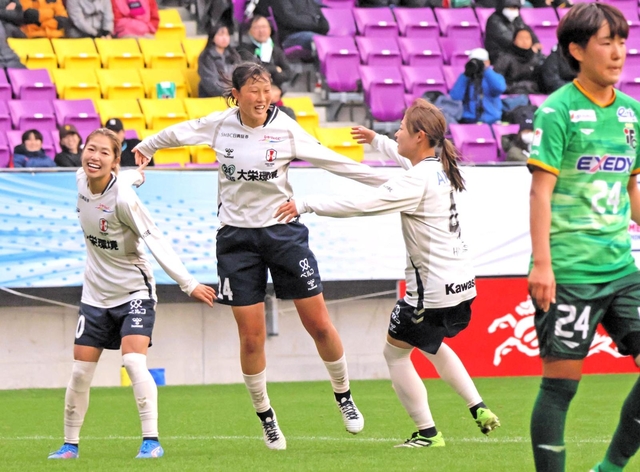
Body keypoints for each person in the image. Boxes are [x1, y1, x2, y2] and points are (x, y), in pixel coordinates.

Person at [132, 61, 391, 450]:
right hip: (236, 240)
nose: (261, 97)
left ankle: (344, 396)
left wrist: (394, 182)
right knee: (251, 339)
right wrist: (148, 145)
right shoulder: (220, 125)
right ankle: (267, 419)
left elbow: (336, 162)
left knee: (319, 324)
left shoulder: (285, 128)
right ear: (236, 94)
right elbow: (180, 132)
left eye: (266, 89)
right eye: (253, 90)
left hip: (283, 233)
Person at [274, 99, 501, 447]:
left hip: (431, 292)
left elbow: (362, 205)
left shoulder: (416, 181)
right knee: (429, 343)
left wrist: (307, 203)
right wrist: (376, 140)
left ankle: (428, 433)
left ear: (420, 136)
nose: (396, 133)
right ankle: (478, 407)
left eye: (401, 128)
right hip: (463, 285)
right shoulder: (439, 166)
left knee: (395, 354)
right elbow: (406, 160)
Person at [47, 128, 216, 460]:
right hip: (95, 295)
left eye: (104, 152)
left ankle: (151, 442)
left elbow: (156, 240)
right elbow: (123, 178)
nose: (94, 156)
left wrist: (188, 284)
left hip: (133, 291)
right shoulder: (80, 180)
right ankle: (69, 446)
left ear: (114, 161)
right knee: (80, 372)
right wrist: (137, 176)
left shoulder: (124, 200)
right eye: (91, 149)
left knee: (133, 362)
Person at [527, 4, 640, 472]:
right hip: (570, 271)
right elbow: (540, 192)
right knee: (560, 387)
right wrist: (542, 265)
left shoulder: (632, 113)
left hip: (621, 269)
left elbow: (631, 188)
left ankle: (609, 469)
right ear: (576, 50)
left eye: (622, 41)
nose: (618, 53)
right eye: (606, 42)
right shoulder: (558, 111)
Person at [253, 0, 328, 60]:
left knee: (327, 41)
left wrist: (322, 26)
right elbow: (290, 20)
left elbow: (322, 20)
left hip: (310, 31)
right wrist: (315, 25)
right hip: (289, 36)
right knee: (316, 40)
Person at [449, 48, 506, 124]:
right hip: (469, 122)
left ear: (488, 62)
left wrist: (486, 70)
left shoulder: (494, 77)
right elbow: (455, 97)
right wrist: (465, 75)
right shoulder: (466, 77)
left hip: (491, 121)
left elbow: (499, 88)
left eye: (480, 62)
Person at [237, 15, 291, 88]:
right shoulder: (244, 49)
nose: (261, 30)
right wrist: (275, 69)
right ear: (249, 31)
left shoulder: (276, 50)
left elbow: (288, 73)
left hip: (274, 89)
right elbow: (253, 69)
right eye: (257, 27)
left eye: (264, 27)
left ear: (270, 29)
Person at [485, 0, 541, 64]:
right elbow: (511, 40)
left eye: (515, 8)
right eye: (510, 8)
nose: (513, 10)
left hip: (516, 54)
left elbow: (527, 31)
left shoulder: (517, 18)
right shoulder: (494, 21)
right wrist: (530, 47)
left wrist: (535, 42)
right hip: (500, 55)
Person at [493, 28, 546, 94]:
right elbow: (496, 82)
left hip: (534, 95)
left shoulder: (537, 58)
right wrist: (518, 88)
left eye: (527, 39)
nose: (524, 41)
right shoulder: (504, 59)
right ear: (514, 41)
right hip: (510, 95)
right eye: (521, 38)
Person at [198, 22, 241, 98]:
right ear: (212, 38)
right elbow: (210, 83)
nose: (224, 38)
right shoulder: (206, 57)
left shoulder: (234, 54)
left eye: (227, 35)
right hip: (212, 97)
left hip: (233, 95)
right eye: (221, 35)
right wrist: (230, 92)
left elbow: (240, 76)